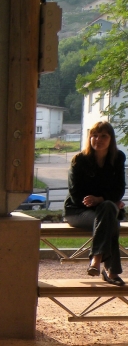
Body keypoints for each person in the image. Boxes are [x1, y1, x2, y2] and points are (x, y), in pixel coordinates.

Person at [64, 121, 127, 286]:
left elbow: (119, 189)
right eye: (94, 135)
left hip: (104, 211)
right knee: (109, 218)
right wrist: (108, 202)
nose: (98, 139)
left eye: (103, 136)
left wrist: (102, 200)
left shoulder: (118, 158)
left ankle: (96, 261)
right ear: (89, 138)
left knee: (108, 213)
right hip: (77, 211)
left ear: (111, 139)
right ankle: (111, 271)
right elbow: (76, 195)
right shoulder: (79, 160)